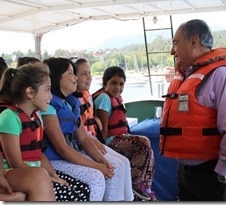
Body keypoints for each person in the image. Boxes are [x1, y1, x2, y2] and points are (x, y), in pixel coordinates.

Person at [159, 19, 226, 201]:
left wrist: (221, 174)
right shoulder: (185, 77)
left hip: (213, 172)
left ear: (194, 42)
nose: (172, 50)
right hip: (185, 171)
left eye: (175, 43)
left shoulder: (223, 75)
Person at [41, 57, 130, 201]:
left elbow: (83, 138)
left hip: (70, 155)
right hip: (55, 160)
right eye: (70, 73)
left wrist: (102, 161)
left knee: (112, 168)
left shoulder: (72, 103)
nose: (75, 77)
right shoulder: (49, 107)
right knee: (96, 177)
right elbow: (62, 149)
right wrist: (96, 166)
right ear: (57, 77)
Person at [0, 63, 90, 201]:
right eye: (47, 90)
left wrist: (54, 176)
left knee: (82, 189)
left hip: (34, 172)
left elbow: (39, 154)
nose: (51, 96)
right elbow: (16, 163)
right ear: (30, 92)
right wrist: (47, 178)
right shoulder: (10, 117)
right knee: (51, 184)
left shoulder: (35, 118)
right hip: (12, 173)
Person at [72, 57, 134, 201]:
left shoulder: (83, 97)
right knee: (113, 168)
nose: (89, 78)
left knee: (123, 162)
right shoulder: (70, 102)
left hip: (91, 140)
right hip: (81, 145)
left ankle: (129, 199)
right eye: (84, 74)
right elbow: (79, 138)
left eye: (90, 73)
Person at [92, 65, 157, 201]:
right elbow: (103, 129)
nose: (118, 87)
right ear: (105, 83)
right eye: (113, 83)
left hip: (119, 138)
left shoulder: (117, 98)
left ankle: (145, 186)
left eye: (121, 84)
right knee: (144, 142)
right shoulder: (104, 98)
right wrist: (104, 151)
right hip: (109, 141)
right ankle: (135, 182)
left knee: (149, 151)